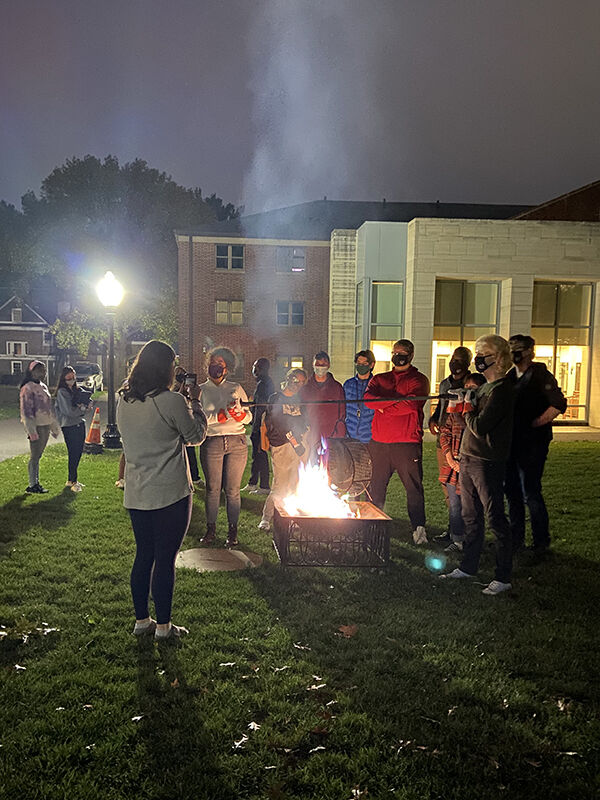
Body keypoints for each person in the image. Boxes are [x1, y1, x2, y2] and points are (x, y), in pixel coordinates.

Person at [116, 340, 207, 640]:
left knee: (144, 555)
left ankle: (142, 620)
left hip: (138, 491)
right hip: (170, 494)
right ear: (166, 368)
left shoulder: (123, 400)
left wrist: (178, 401)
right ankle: (165, 627)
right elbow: (194, 436)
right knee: (165, 559)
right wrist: (195, 404)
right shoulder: (172, 401)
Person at [440, 334, 515, 595]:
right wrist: (457, 406)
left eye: (483, 354)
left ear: (498, 357)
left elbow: (481, 426)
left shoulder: (503, 390)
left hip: (488, 461)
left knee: (494, 517)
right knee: (470, 516)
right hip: (468, 457)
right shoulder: (484, 388)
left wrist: (468, 406)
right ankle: (468, 566)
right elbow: (466, 425)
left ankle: (503, 576)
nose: (478, 359)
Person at [505, 334, 567, 554]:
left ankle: (541, 542)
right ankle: (516, 538)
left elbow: (558, 403)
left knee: (530, 491)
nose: (515, 352)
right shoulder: (510, 376)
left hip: (533, 444)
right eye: (511, 348)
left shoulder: (540, 374)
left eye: (519, 348)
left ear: (531, 351)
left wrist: (537, 422)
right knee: (511, 491)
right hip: (512, 443)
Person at [364, 340, 430, 545]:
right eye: (395, 352)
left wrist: (383, 406)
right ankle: (372, 526)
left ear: (411, 355)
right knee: (375, 487)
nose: (398, 355)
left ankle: (418, 529)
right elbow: (367, 400)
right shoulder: (381, 378)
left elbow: (412, 405)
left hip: (406, 443)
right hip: (379, 443)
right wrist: (396, 401)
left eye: (403, 352)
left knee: (413, 488)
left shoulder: (419, 379)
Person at [198, 347, 252, 548]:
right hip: (212, 441)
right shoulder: (202, 390)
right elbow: (197, 417)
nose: (216, 367)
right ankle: (211, 529)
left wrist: (241, 416)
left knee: (233, 490)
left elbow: (249, 416)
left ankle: (232, 531)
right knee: (213, 489)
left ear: (227, 368)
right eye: (213, 362)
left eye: (220, 364)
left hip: (236, 441)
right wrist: (215, 417)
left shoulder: (236, 388)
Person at [428, 347, 473, 545]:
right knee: (447, 487)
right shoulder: (446, 383)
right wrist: (433, 419)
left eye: (460, 360)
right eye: (453, 359)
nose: (455, 363)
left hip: (462, 441)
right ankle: (453, 530)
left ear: (467, 363)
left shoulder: (472, 384)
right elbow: (440, 406)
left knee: (461, 490)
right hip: (444, 440)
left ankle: (465, 535)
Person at [438, 372, 486, 553]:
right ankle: (457, 539)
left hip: (471, 464)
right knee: (455, 505)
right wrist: (449, 456)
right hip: (453, 463)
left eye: (473, 389)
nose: (468, 392)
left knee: (471, 506)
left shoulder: (481, 412)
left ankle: (473, 540)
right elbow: (445, 432)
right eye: (466, 388)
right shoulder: (455, 410)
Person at [259, 368, 309, 532]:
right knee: (280, 484)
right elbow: (279, 424)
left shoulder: (300, 400)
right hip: (282, 446)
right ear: (288, 378)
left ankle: (292, 517)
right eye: (295, 380)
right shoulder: (276, 398)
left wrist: (298, 438)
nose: (298, 385)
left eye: (302, 382)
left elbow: (303, 422)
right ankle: (267, 517)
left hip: (299, 445)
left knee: (295, 483)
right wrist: (295, 441)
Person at [19, 360, 61, 494]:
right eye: (40, 370)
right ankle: (33, 484)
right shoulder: (27, 388)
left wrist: (53, 426)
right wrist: (31, 431)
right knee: (35, 455)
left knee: (38, 455)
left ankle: (35, 482)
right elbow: (26, 411)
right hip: (36, 426)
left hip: (45, 425)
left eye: (44, 370)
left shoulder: (43, 386)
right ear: (32, 371)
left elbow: (48, 408)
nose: (43, 373)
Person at [299, 351, 346, 457]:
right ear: (313, 365)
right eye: (317, 364)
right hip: (310, 437)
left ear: (328, 365)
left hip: (332, 438)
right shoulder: (305, 389)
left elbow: (342, 414)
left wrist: (338, 434)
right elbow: (301, 411)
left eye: (323, 365)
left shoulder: (336, 388)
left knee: (331, 469)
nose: (320, 367)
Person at [55, 365, 91, 492]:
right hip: (69, 425)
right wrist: (82, 409)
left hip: (79, 423)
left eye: (73, 378)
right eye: (69, 378)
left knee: (78, 451)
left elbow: (84, 401)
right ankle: (71, 480)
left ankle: (74, 479)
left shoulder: (77, 390)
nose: (71, 381)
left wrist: (87, 404)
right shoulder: (62, 392)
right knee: (73, 452)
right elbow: (68, 411)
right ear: (63, 379)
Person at [242, 358, 274, 494]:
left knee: (260, 455)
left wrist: (256, 426)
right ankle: (253, 482)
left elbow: (260, 407)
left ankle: (264, 486)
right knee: (257, 455)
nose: (254, 369)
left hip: (260, 425)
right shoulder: (264, 383)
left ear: (261, 368)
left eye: (255, 366)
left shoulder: (263, 384)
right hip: (260, 424)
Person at [174, 366, 203, 484]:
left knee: (191, 452)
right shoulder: (172, 393)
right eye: (178, 376)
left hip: (187, 422)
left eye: (183, 376)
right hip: (177, 428)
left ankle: (194, 477)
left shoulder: (189, 391)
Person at [343, 350, 376, 443]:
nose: (361, 366)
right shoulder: (348, 384)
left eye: (364, 363)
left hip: (370, 437)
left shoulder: (376, 385)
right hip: (350, 435)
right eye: (358, 363)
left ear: (371, 365)